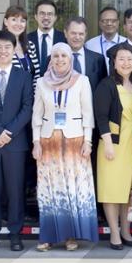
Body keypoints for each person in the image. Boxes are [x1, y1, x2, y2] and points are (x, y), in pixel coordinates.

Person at [31, 43, 98, 251]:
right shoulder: (42, 82)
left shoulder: (82, 81)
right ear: (51, 58)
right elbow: (36, 114)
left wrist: (88, 141)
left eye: (64, 56)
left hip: (75, 141)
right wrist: (35, 142)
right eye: (56, 56)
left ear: (70, 59)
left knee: (72, 189)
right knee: (50, 190)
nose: (60, 59)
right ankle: (49, 237)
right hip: (48, 141)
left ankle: (71, 236)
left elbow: (88, 113)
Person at [94, 43, 132, 250]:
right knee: (112, 189)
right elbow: (101, 117)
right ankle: (114, 232)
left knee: (130, 190)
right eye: (121, 59)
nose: (126, 63)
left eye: (130, 59)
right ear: (114, 62)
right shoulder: (106, 84)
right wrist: (107, 144)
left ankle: (126, 230)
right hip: (113, 144)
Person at [0, 30, 33, 251]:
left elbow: (27, 107)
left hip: (15, 143)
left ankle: (15, 234)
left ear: (13, 50)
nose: (2, 51)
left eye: (7, 47)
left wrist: (7, 132)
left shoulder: (23, 76)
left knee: (15, 190)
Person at [62, 17, 107, 91]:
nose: (77, 37)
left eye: (81, 34)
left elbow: (103, 89)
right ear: (66, 33)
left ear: (85, 34)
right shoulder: (54, 59)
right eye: (73, 33)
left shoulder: (98, 59)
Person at [2, 6, 40, 89]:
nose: (18, 24)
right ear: (5, 21)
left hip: (29, 98)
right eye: (14, 20)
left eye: (22, 21)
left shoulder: (30, 46)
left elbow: (36, 76)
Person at [27, 0, 66, 75]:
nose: (46, 17)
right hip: (32, 85)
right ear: (36, 16)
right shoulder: (27, 40)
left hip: (58, 85)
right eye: (42, 13)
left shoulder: (64, 39)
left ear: (55, 17)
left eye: (50, 14)